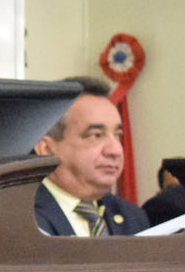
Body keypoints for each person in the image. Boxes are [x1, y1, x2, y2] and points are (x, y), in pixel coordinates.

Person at [31, 77, 149, 236]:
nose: (115, 150)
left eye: (118, 135)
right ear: (47, 149)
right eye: (96, 135)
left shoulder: (132, 216)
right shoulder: (21, 219)